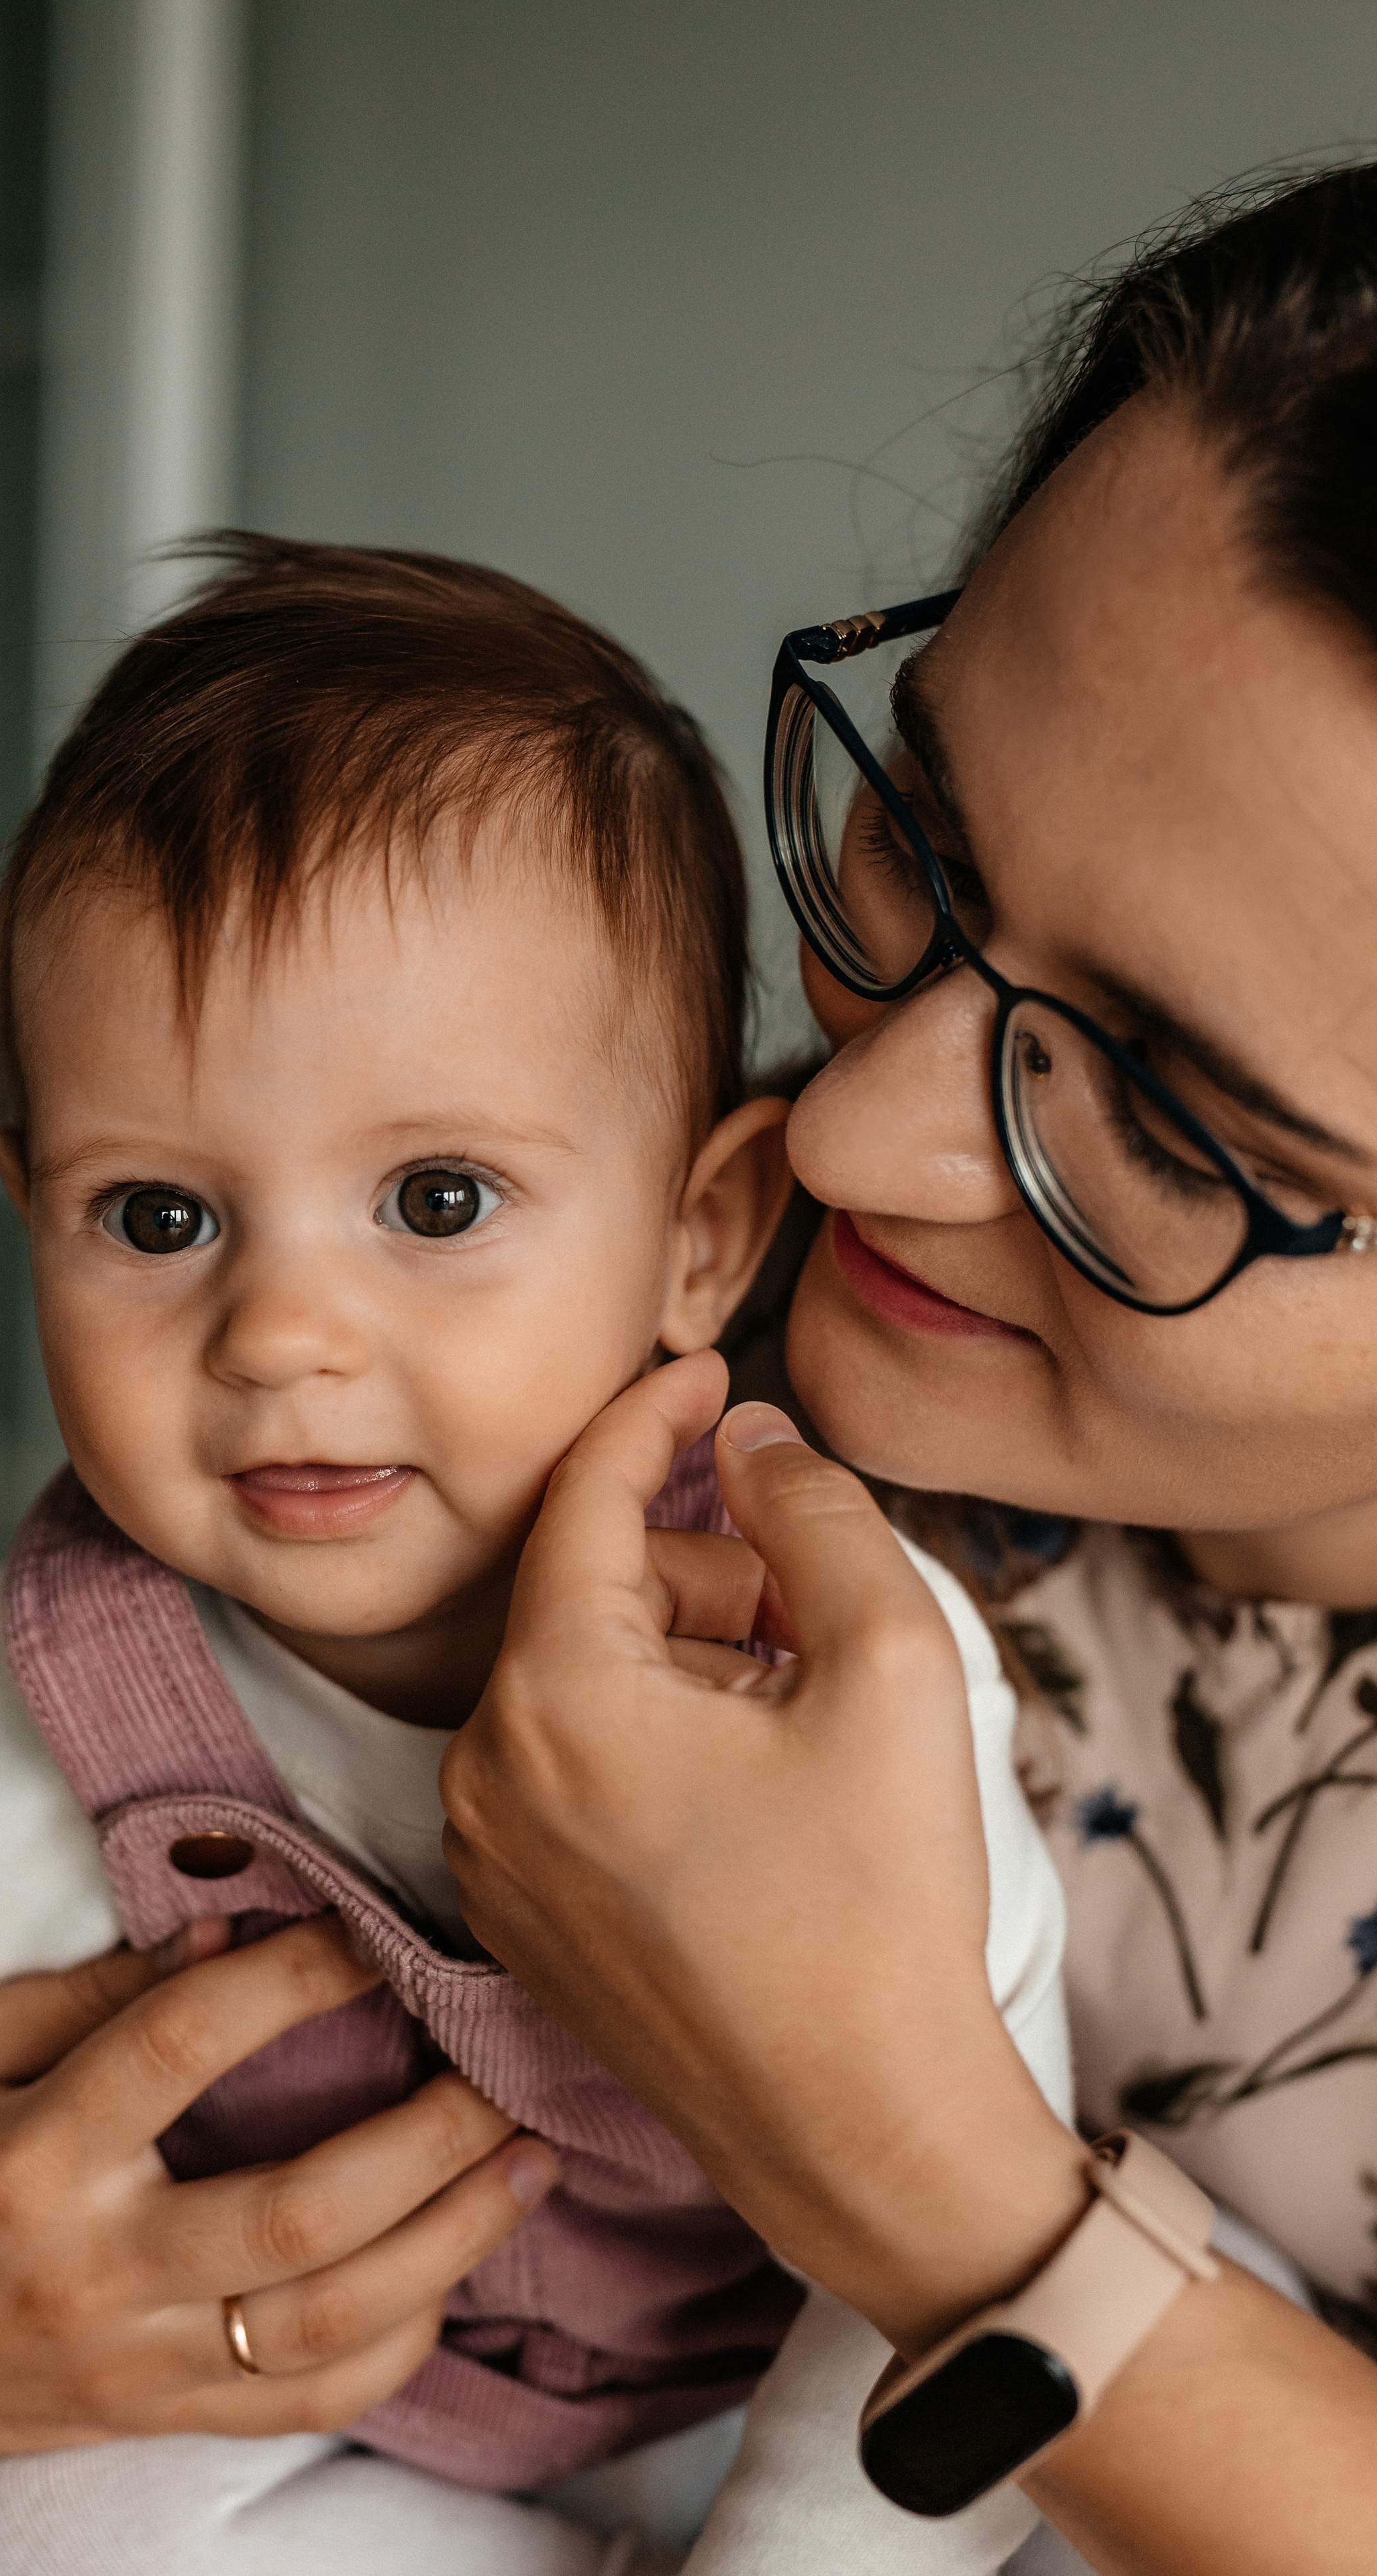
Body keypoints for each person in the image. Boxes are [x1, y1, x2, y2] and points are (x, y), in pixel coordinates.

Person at [0, 540, 1069, 2572]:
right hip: (352, 2431)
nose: (283, 1336)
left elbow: (976, 2209)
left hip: (797, 2410)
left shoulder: (833, 1661)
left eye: (436, 1198)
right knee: (25, 2526)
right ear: (30, 1212)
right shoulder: (32, 1699)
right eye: (158, 1219)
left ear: (697, 1241)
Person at [440, 164, 1377, 2573]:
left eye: (1166, 1116)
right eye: (926, 849)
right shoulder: (659, 1287)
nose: (846, 1132)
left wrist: (914, 2171)